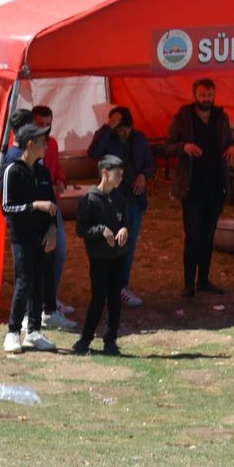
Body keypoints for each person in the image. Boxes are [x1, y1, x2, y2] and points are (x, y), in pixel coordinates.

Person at [166, 78, 234, 298]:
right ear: (194, 95)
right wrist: (183, 146)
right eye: (202, 95)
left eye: (209, 95)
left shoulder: (221, 118)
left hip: (215, 186)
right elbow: (167, 147)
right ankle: (189, 284)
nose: (206, 99)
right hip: (192, 187)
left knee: (208, 236)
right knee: (193, 236)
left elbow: (230, 141)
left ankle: (204, 280)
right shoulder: (182, 117)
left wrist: (233, 147)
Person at [0, 123, 58, 354]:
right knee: (24, 283)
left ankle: (33, 332)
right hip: (22, 239)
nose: (46, 145)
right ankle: (13, 332)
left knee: (39, 283)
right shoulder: (12, 170)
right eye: (42, 141)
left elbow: (52, 204)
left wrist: (53, 228)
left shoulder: (43, 172)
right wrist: (33, 206)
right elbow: (6, 207)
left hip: (42, 237)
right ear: (30, 144)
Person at [88, 106, 154, 305]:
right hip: (110, 201)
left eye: (125, 128)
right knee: (109, 244)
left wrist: (144, 175)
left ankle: (120, 287)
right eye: (119, 128)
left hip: (134, 200)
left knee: (128, 244)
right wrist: (109, 127)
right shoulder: (106, 137)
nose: (122, 132)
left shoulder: (140, 139)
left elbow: (150, 164)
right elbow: (93, 153)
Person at [72, 154, 130, 356]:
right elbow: (81, 230)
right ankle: (85, 339)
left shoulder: (119, 197)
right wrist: (100, 230)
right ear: (105, 173)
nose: (121, 179)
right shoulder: (90, 199)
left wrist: (124, 230)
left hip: (117, 256)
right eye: (118, 175)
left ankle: (111, 339)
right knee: (98, 298)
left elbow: (126, 222)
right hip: (99, 259)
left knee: (115, 299)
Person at [32, 105, 76, 331]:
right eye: (40, 124)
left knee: (58, 253)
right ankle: (40, 305)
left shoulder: (52, 144)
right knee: (39, 258)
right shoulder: (24, 146)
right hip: (34, 210)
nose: (45, 128)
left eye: (48, 124)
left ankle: (51, 298)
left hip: (52, 207)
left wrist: (60, 180)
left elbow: (57, 169)